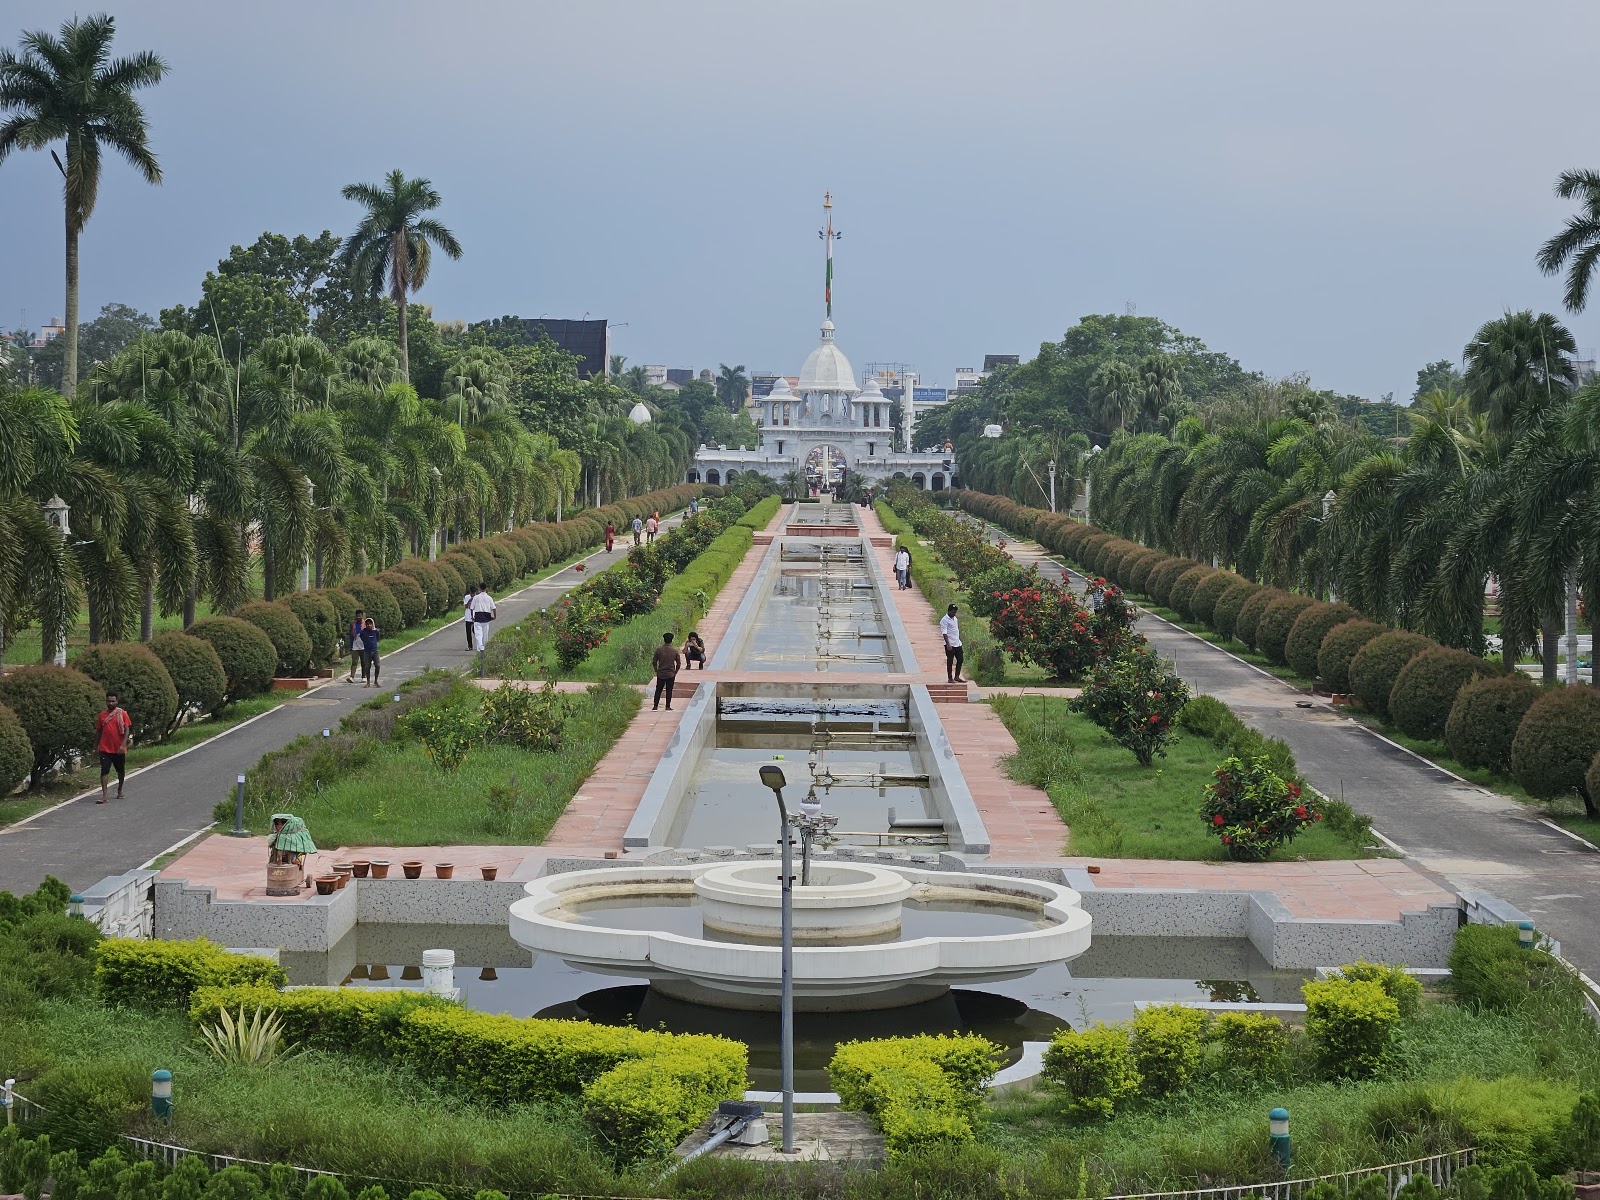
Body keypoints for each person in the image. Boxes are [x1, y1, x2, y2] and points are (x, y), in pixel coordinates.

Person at [95, 690, 132, 804]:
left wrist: (123, 744)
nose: (110, 703)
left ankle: (120, 790)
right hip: (105, 748)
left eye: (113, 701)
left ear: (117, 701)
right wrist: (95, 746)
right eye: (108, 701)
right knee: (104, 771)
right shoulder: (102, 716)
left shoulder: (122, 714)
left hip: (118, 749)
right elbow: (99, 731)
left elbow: (126, 729)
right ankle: (105, 796)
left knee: (120, 771)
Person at [652, 631, 682, 710]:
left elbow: (654, 662)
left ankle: (655, 706)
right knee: (669, 690)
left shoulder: (659, 650)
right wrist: (675, 672)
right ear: (671, 640)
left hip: (661, 673)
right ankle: (667, 706)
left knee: (658, 689)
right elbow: (678, 663)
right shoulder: (674, 651)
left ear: (664, 640)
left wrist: (656, 670)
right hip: (670, 674)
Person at [940, 603, 965, 684]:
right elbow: (944, 633)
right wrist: (948, 644)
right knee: (950, 661)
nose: (954, 614)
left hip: (957, 643)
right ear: (949, 611)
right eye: (953, 612)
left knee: (960, 659)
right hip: (950, 644)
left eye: (955, 612)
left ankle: (957, 676)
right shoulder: (944, 620)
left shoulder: (955, 618)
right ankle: (950, 678)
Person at [470, 582, 498, 651]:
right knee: (485, 635)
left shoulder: (476, 597)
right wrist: (494, 616)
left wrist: (472, 616)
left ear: (479, 588)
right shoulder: (489, 598)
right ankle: (484, 647)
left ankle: (480, 647)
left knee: (478, 634)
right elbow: (494, 608)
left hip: (478, 617)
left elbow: (471, 608)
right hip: (486, 618)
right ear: (486, 588)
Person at [360, 618, 381, 685]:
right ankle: (368, 682)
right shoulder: (363, 632)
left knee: (377, 665)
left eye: (370, 624)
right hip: (367, 651)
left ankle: (376, 681)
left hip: (375, 651)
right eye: (367, 624)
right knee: (367, 666)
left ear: (373, 624)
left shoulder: (376, 631)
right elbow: (362, 638)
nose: (369, 625)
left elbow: (377, 638)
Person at [346, 608, 367, 680]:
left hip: (363, 646)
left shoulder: (365, 625)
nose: (358, 617)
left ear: (362, 616)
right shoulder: (353, 625)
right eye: (357, 616)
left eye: (360, 616)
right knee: (354, 662)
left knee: (363, 662)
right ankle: (352, 676)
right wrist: (351, 646)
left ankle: (363, 677)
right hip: (355, 646)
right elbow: (351, 636)